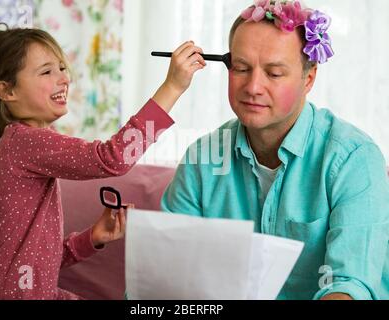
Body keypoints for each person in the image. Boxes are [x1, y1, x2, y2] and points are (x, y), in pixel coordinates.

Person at [161, 0, 389, 300]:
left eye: (274, 73)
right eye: (241, 68)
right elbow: (166, 272)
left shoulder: (353, 158)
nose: (253, 86)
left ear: (308, 79)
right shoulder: (201, 160)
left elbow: (350, 286)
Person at [0, 24, 206, 300]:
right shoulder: (25, 141)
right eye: (46, 72)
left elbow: (34, 264)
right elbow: (112, 158)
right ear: (7, 91)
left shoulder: (22, 145)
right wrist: (173, 86)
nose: (63, 79)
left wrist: (93, 237)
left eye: (61, 68)